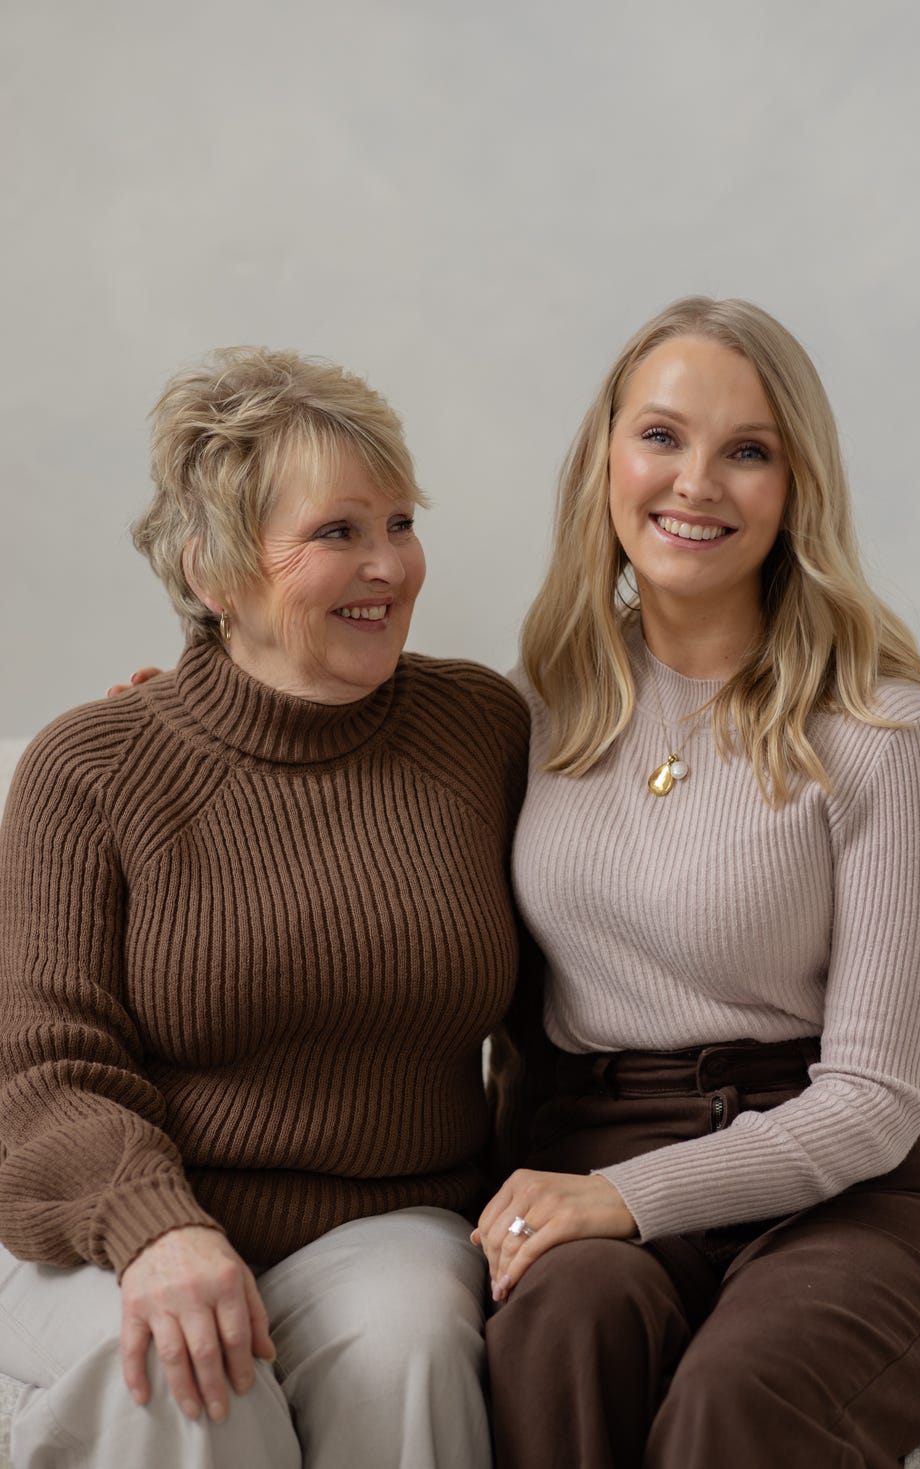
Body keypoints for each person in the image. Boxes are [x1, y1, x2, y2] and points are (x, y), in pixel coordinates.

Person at [472, 297, 920, 1467]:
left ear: (795, 489)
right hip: (589, 1148)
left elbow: (871, 1101)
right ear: (604, 456)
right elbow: (349, 770)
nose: (694, 481)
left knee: (735, 1399)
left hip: (847, 1192)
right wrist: (178, 706)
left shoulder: (877, 730)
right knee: (553, 1330)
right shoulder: (530, 708)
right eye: (660, 435)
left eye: (746, 450)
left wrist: (631, 1196)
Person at [0, 347, 529, 1469]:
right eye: (337, 531)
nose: (386, 562)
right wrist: (158, 1225)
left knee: (412, 1343)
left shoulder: (482, 730)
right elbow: (39, 1070)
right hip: (116, 1226)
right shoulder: (90, 767)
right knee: (183, 1368)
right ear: (213, 568)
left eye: (398, 519)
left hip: (392, 1221)